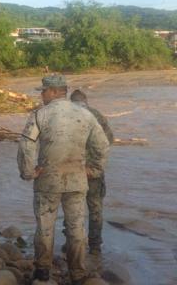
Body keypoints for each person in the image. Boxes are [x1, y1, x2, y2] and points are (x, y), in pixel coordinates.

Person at [17, 74, 109, 285]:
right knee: (77, 227)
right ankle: (77, 274)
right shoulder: (85, 115)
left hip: (48, 180)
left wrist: (28, 172)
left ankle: (42, 272)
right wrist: (93, 169)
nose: (41, 95)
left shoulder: (40, 114)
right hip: (77, 179)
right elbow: (102, 145)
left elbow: (26, 145)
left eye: (43, 91)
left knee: (45, 227)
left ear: (54, 92)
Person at [70, 89, 113, 255]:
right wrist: (96, 164)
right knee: (95, 208)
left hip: (72, 169)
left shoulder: (65, 116)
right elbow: (108, 140)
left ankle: (72, 243)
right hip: (93, 170)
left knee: (72, 207)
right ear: (86, 101)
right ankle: (95, 246)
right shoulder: (97, 115)